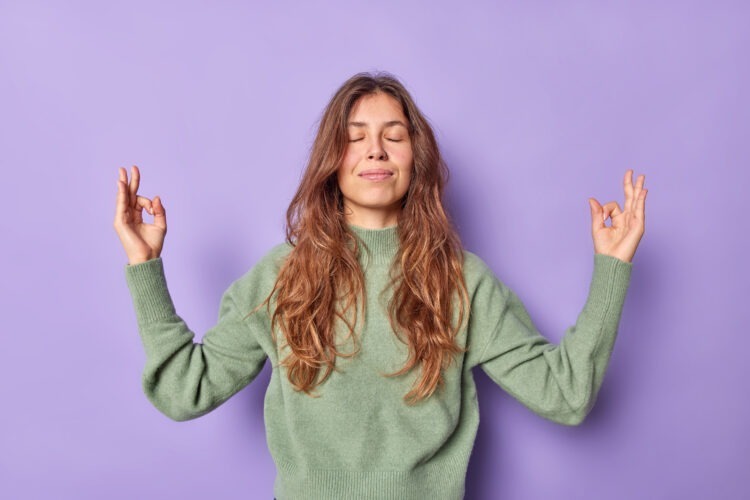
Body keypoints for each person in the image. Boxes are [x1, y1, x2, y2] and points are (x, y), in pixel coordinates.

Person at [113, 71, 647, 500]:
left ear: (417, 159)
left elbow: (566, 396)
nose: (376, 150)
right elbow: (184, 391)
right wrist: (145, 267)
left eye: (394, 135)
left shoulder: (464, 281)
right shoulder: (279, 277)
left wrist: (611, 269)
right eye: (354, 138)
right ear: (331, 162)